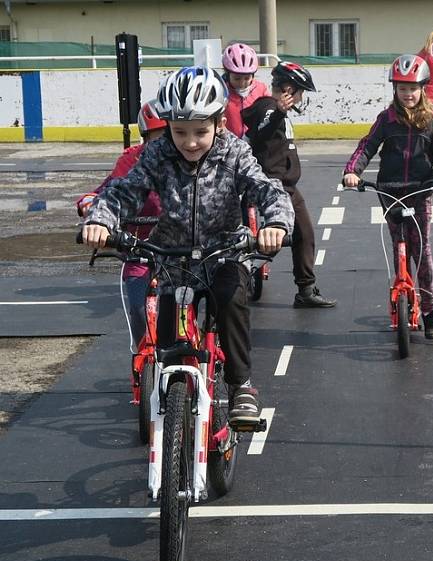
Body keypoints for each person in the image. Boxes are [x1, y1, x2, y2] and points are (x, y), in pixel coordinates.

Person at [81, 65, 295, 430]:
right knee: (166, 341)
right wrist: (101, 220)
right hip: (172, 259)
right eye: (180, 132)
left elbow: (267, 189)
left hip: (223, 252)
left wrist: (276, 224)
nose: (190, 142)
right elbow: (124, 191)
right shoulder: (158, 154)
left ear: (219, 124)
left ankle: (240, 385)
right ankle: (171, 400)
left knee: (230, 298)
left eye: (200, 131)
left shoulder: (235, 153)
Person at [342, 54, 433, 340]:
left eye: (413, 88)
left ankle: (429, 311)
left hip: (420, 188)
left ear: (423, 87)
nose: (408, 94)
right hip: (389, 189)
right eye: (402, 88)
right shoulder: (386, 119)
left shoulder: (431, 120)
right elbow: (367, 147)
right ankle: (401, 291)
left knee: (422, 250)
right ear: (395, 89)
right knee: (399, 245)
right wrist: (352, 171)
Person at [241, 61, 337, 308]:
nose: (302, 97)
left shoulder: (276, 111)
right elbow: (261, 130)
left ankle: (305, 290)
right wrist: (279, 112)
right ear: (288, 90)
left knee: (304, 234)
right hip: (273, 186)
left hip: (288, 186)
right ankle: (238, 276)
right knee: (269, 242)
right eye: (300, 91)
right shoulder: (268, 108)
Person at [76, 99, 167, 349]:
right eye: (158, 139)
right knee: (139, 309)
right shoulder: (131, 160)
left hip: (177, 247)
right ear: (145, 138)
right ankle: (142, 356)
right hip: (139, 246)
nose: (166, 146)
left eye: (173, 136)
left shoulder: (189, 162)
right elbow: (107, 192)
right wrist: (91, 207)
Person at [222, 42, 270, 138]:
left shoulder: (262, 90)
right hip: (230, 145)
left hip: (256, 144)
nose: (242, 83)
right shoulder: (221, 91)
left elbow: (269, 115)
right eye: (237, 78)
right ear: (228, 74)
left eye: (247, 78)